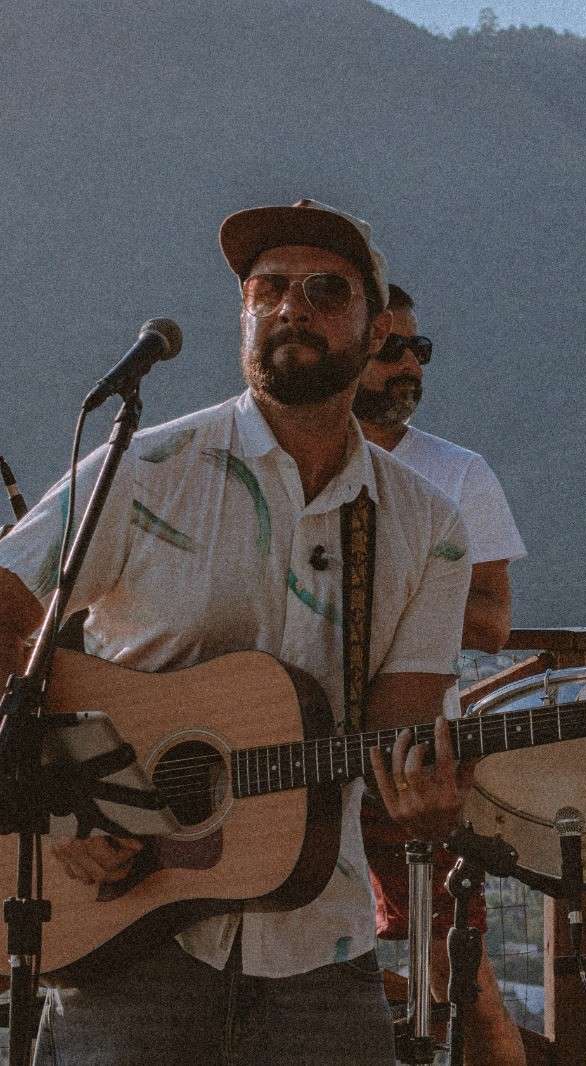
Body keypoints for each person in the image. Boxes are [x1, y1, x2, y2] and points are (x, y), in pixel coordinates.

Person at [0, 199, 473, 1065]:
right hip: (124, 937)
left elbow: (396, 736)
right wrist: (66, 802)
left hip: (320, 952)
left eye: (327, 290)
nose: (293, 306)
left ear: (375, 334)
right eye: (269, 288)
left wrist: (425, 801)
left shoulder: (428, 528)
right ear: (244, 315)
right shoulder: (145, 470)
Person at [356, 282, 528, 1066]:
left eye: (418, 350)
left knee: (457, 968)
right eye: (391, 349)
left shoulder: (457, 474)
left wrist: (379, 589)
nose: (410, 366)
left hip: (413, 760)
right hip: (287, 755)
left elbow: (493, 622)